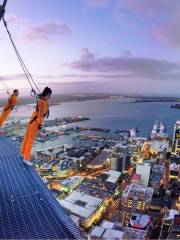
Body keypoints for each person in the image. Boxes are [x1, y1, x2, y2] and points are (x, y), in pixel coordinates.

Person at [21, 87, 52, 165]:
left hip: (32, 121)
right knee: (30, 140)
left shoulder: (41, 100)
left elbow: (39, 113)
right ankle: (26, 159)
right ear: (48, 94)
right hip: (35, 123)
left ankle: (23, 153)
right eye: (50, 95)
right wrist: (39, 127)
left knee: (27, 138)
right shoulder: (43, 102)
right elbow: (40, 115)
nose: (50, 97)